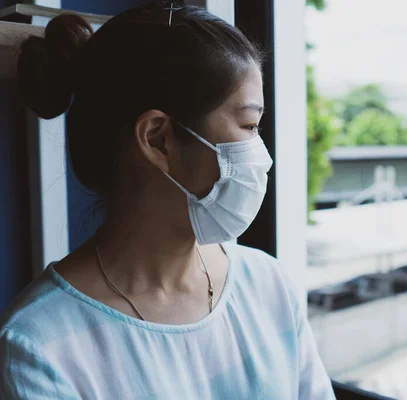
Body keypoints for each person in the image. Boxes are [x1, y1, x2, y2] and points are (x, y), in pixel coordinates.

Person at [0, 3, 335, 399]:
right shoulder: (41, 347)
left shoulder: (269, 287)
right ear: (158, 139)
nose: (263, 154)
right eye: (249, 125)